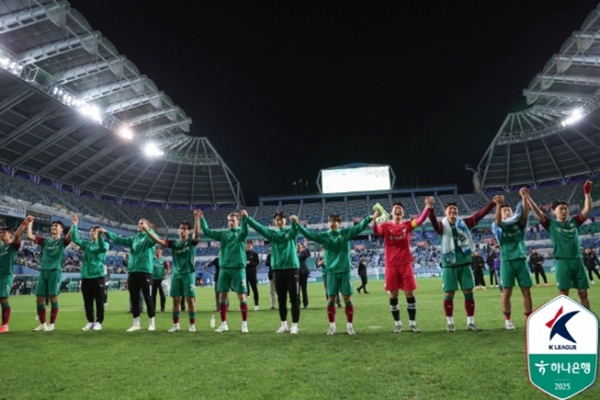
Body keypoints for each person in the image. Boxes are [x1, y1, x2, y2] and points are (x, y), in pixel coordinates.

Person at [291, 210, 380, 335]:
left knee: (347, 298)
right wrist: (297, 224)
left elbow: (359, 227)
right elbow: (309, 235)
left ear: (339, 223)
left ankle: (349, 326)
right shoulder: (324, 236)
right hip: (331, 272)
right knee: (331, 299)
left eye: (334, 221)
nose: (332, 223)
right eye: (329, 221)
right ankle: (332, 326)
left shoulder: (345, 233)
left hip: (344, 271)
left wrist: (371, 217)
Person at [428, 197, 499, 332]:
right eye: (450, 209)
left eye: (455, 209)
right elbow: (433, 222)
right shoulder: (441, 226)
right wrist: (430, 209)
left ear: (457, 211)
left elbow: (479, 215)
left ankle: (470, 323)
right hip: (449, 265)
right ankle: (450, 323)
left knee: (469, 293)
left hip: (465, 263)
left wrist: (492, 204)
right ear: (445, 212)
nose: (453, 211)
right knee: (449, 294)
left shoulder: (464, 224)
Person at [526, 181, 593, 309]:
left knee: (583, 293)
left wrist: (587, 192)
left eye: (566, 209)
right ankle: (561, 318)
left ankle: (586, 318)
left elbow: (587, 208)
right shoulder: (550, 224)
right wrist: (528, 197)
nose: (564, 211)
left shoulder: (574, 222)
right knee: (563, 294)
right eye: (561, 209)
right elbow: (538, 212)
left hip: (577, 260)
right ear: (554, 212)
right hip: (562, 261)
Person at [372, 199, 432, 333]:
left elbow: (421, 220)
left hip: (405, 264)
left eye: (400, 208)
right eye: (396, 208)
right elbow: (376, 231)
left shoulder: (407, 225)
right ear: (392, 212)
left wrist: (427, 207)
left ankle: (412, 324)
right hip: (391, 265)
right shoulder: (385, 225)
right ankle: (398, 324)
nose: (398, 210)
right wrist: (374, 220)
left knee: (409, 293)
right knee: (393, 294)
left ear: (403, 213)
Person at [242, 210, 301, 333]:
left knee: (294, 298)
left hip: (292, 268)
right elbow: (260, 228)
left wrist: (295, 222)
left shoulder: (290, 232)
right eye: (277, 220)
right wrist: (248, 218)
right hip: (278, 269)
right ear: (275, 222)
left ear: (285, 220)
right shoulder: (273, 234)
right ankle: (284, 324)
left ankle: (295, 325)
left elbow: (296, 230)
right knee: (281, 299)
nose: (279, 221)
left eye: (281, 219)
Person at [146, 211, 200, 333]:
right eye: (180, 228)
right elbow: (159, 241)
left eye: (185, 229)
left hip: (188, 273)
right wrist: (148, 230)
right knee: (176, 300)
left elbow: (197, 234)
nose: (182, 230)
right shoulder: (174, 243)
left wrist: (197, 219)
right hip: (176, 274)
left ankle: (192, 325)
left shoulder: (191, 242)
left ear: (188, 231)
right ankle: (176, 325)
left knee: (190, 300)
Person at [102, 219, 158, 332]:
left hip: (145, 271)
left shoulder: (149, 237)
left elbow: (156, 239)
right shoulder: (134, 239)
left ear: (147, 226)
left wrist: (148, 230)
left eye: (142, 223)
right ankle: (136, 324)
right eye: (139, 223)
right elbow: (119, 239)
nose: (139, 224)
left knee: (148, 298)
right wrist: (106, 232)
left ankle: (152, 323)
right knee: (134, 298)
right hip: (133, 272)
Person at [200, 210, 250, 333]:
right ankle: (223, 324)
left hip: (238, 267)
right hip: (224, 268)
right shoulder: (223, 234)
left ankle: (244, 324)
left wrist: (245, 219)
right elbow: (207, 232)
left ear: (238, 221)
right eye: (229, 221)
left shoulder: (241, 232)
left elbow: (246, 231)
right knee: (222, 295)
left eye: (233, 220)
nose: (231, 222)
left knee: (241, 295)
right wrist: (202, 219)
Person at [491, 190, 533, 330]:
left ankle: (528, 319)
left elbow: (525, 213)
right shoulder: (496, 225)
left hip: (521, 259)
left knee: (526, 290)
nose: (507, 212)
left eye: (508, 210)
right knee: (507, 291)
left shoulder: (519, 223)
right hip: (507, 261)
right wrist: (499, 205)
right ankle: (508, 320)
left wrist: (524, 198)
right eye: (504, 211)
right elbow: (498, 221)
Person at [27, 217, 72, 332]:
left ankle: (52, 324)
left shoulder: (62, 241)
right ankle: (43, 324)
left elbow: (70, 236)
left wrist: (74, 224)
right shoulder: (45, 241)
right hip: (43, 271)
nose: (53, 227)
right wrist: (30, 223)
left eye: (56, 226)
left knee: (53, 297)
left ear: (61, 229)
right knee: (39, 299)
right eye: (52, 226)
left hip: (55, 271)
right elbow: (30, 236)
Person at [70, 215, 110, 331]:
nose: (92, 232)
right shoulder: (87, 244)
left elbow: (103, 248)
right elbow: (75, 239)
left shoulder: (104, 244)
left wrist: (100, 236)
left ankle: (99, 322)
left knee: (99, 301)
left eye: (95, 231)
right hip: (86, 276)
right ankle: (90, 321)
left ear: (99, 233)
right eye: (91, 231)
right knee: (87, 301)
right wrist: (75, 225)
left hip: (98, 276)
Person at [0, 216, 33, 333]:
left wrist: (25, 222)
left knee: (3, 299)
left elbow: (18, 235)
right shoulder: (1, 247)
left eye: (4, 232)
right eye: (0, 233)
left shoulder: (12, 246)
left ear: (10, 235)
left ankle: (5, 325)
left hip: (6, 276)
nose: (1, 234)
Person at [151, 248, 170, 313]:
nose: (158, 252)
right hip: (153, 279)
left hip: (161, 279)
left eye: (159, 251)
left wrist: (166, 275)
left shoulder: (164, 260)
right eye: (157, 251)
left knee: (162, 295)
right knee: (153, 295)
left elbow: (168, 268)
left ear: (161, 253)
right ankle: (153, 308)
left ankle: (162, 308)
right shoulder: (152, 259)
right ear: (155, 252)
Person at [245, 241, 260, 311]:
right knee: (243, 291)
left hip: (252, 274)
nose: (248, 247)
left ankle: (256, 305)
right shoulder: (243, 253)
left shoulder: (255, 254)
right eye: (247, 245)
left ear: (252, 246)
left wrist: (250, 263)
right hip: (244, 274)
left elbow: (257, 263)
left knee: (255, 290)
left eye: (249, 245)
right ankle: (243, 305)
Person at [297, 241, 311, 309]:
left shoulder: (303, 252)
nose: (298, 246)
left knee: (304, 289)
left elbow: (308, 254)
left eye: (299, 245)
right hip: (297, 273)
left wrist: (306, 247)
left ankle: (305, 303)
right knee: (297, 290)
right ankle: (298, 303)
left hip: (303, 272)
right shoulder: (295, 253)